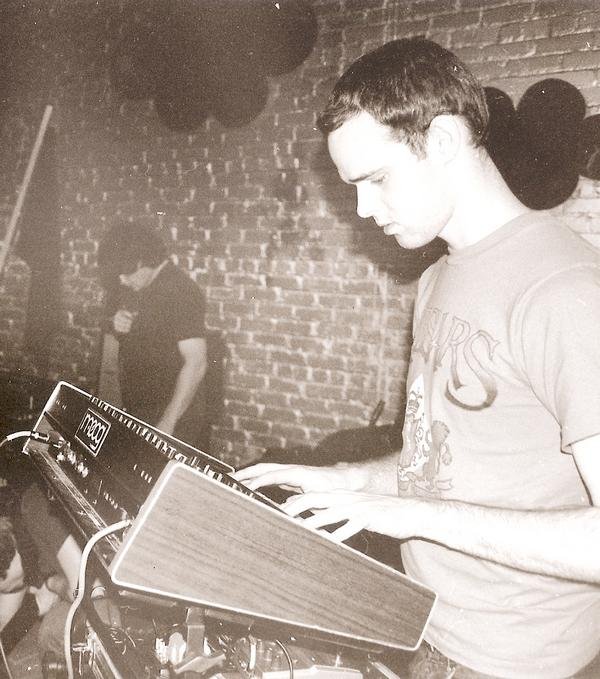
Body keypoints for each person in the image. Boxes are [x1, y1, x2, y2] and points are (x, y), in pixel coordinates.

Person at [235, 37, 600, 679]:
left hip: (510, 661)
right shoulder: (437, 278)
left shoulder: (565, 290)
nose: (362, 210)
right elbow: (445, 467)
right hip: (420, 624)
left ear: (444, 140)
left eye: (375, 179)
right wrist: (352, 480)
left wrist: (410, 515)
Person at [98, 223, 208, 449]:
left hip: (172, 416)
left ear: (142, 262)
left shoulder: (181, 291)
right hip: (143, 409)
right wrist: (118, 323)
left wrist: (167, 423)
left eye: (126, 274)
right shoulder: (145, 285)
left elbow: (196, 363)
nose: (122, 280)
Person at [0, 484, 80, 659]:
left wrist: (52, 583)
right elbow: (4, 621)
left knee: (51, 633)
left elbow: (85, 591)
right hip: (70, 581)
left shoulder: (35, 509)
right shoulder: (15, 547)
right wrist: (39, 602)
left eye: (3, 588)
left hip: (113, 581)